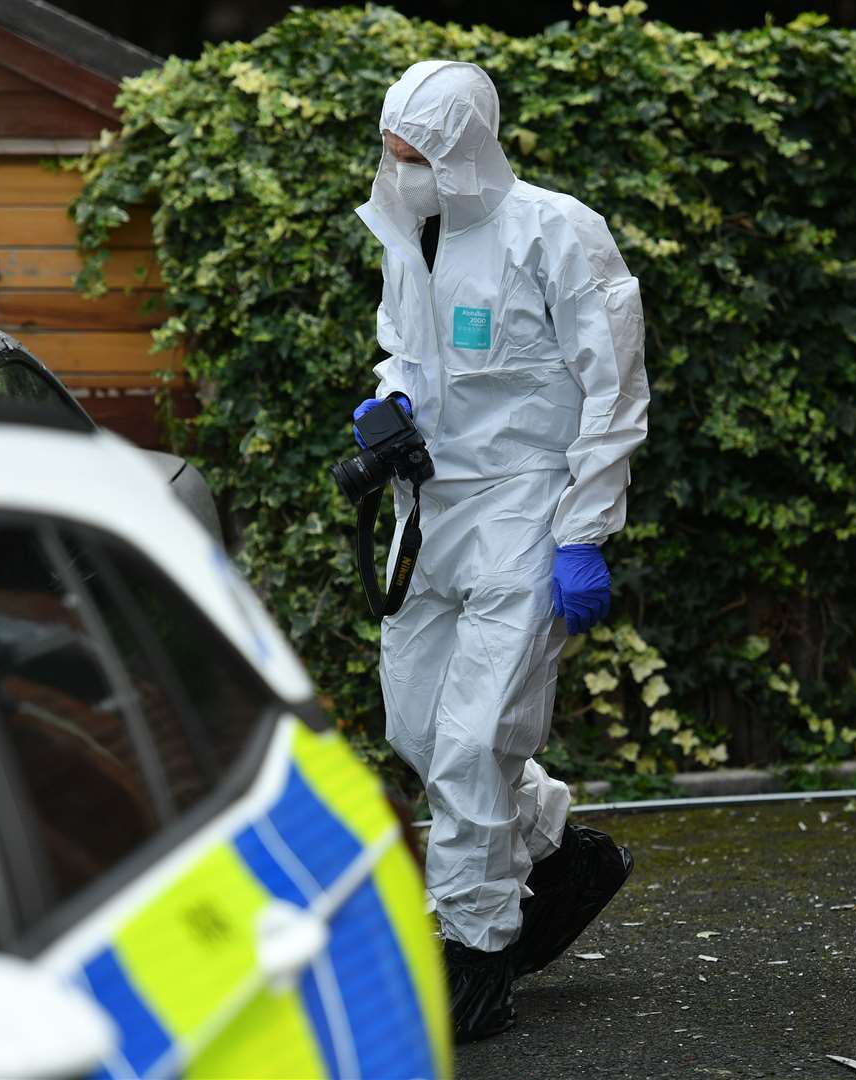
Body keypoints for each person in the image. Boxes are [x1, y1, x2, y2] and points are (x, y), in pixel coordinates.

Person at [352, 59, 649, 1042]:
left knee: (474, 743)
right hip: (428, 512)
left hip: (526, 509)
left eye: (418, 155)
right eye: (392, 154)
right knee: (419, 731)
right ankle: (551, 841)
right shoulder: (411, 231)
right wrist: (388, 403)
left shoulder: (555, 232)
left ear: (464, 148)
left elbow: (611, 394)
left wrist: (583, 532)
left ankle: (474, 960)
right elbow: (404, 346)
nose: (401, 171)